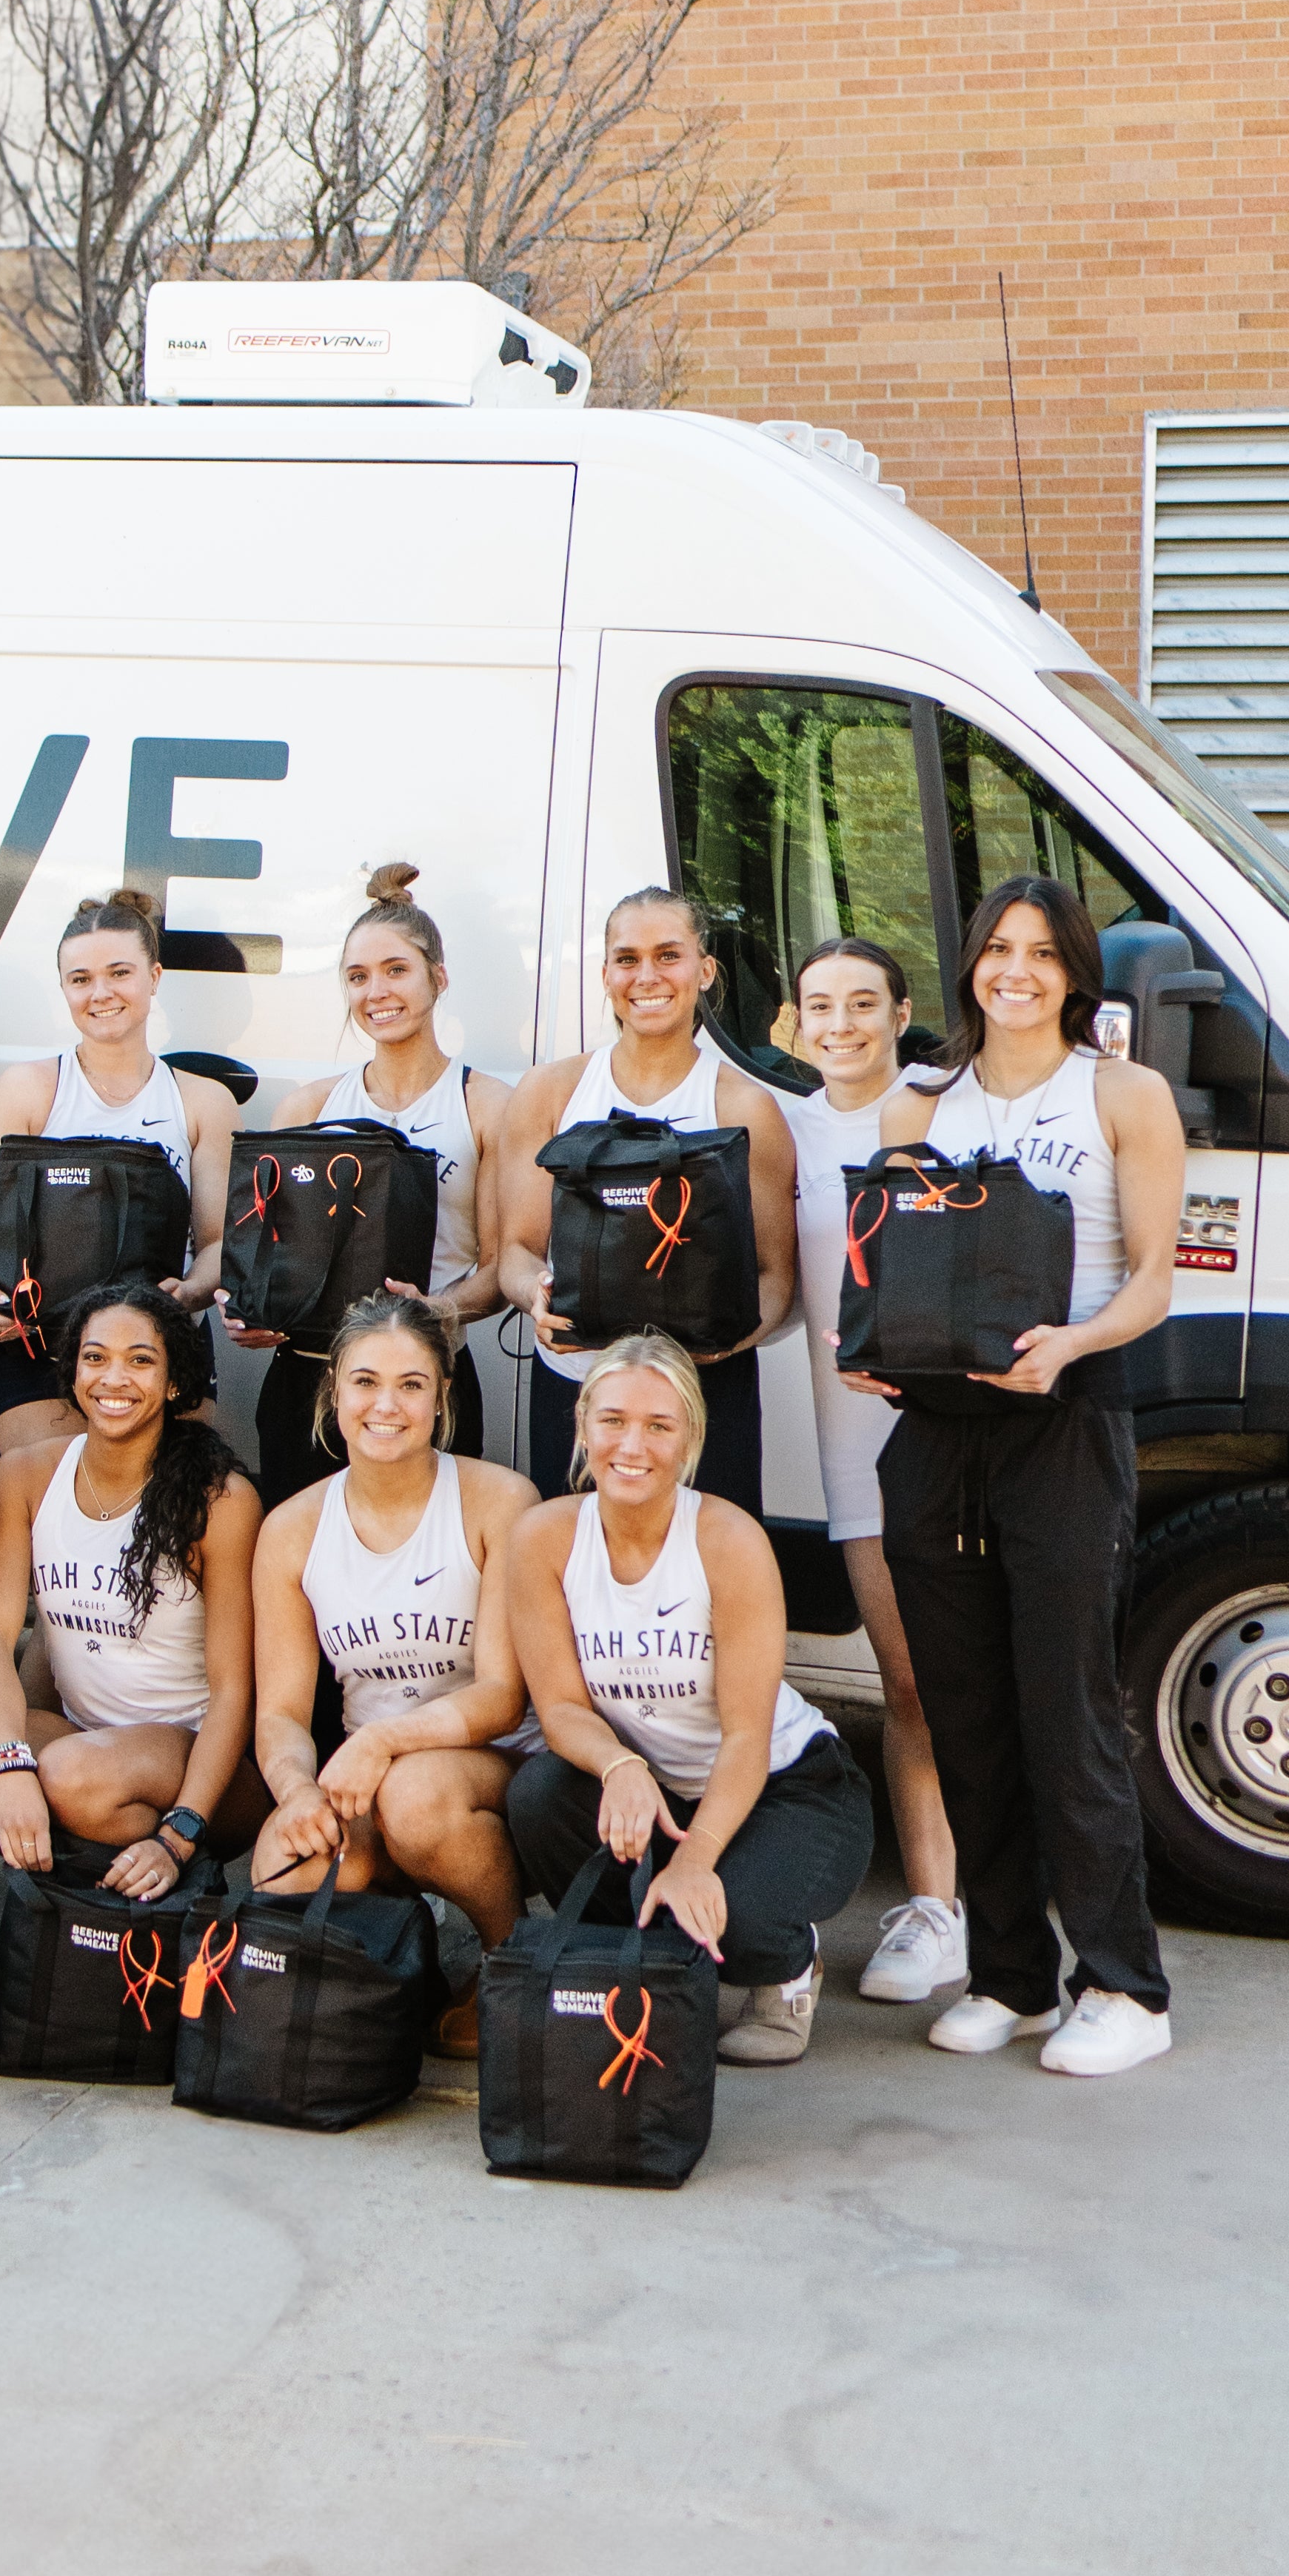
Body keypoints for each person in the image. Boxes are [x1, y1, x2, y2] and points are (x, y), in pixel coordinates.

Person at [870, 874, 1185, 2076]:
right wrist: (875, 1351)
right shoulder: (918, 1104)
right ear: (969, 965)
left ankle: (1124, 1987)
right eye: (998, 949)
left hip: (1065, 1418)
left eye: (1043, 954)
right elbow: (890, 1265)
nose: (1016, 971)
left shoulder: (1122, 1094)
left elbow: (1153, 1278)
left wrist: (1074, 1343)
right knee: (966, 1713)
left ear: (1074, 974)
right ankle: (1010, 1977)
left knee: (1066, 1710)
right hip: (936, 1433)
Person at [506, 1332, 875, 2065]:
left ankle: (787, 1965)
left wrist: (697, 1857)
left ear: (690, 1439)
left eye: (658, 1426)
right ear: (582, 1425)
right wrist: (619, 1766)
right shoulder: (544, 1537)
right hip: (658, 1788)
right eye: (612, 1421)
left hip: (785, 1785)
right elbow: (562, 1709)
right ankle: (643, 1960)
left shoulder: (727, 1540)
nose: (631, 1446)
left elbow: (746, 1735)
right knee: (539, 1797)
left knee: (731, 1918)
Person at [247, 1291, 540, 2053]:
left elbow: (503, 1697)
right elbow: (280, 1712)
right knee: (283, 1867)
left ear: (442, 1396)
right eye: (365, 1382)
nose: (386, 1406)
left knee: (414, 1799)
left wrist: (381, 1744)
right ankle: (408, 1973)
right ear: (333, 1391)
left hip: (492, 1770)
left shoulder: (498, 1501)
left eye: (411, 1385)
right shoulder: (291, 1529)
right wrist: (296, 1791)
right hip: (366, 1779)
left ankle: (512, 1960)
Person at [0, 1283, 267, 1898]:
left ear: (175, 1382)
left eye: (140, 1360)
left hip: (199, 1764)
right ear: (72, 1370)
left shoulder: (219, 1499)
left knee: (69, 1776)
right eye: (95, 1357)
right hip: (82, 1744)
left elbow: (234, 1691)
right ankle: (82, 1913)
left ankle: (170, 1871)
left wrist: (180, 1832)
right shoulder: (27, 1475)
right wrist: (11, 1766)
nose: (114, 1378)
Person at [777, 936, 966, 2004]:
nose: (840, 1024)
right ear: (796, 1024)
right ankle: (935, 1913)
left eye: (862, 1003)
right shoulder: (784, 1129)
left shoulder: (951, 1109)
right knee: (906, 1682)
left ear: (901, 1014)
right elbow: (770, 1284)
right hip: (855, 1446)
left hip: (959, 1430)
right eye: (820, 1006)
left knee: (980, 1677)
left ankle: (994, 1902)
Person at [496, 886, 797, 1512]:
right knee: (571, 1562)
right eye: (628, 959)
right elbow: (517, 1252)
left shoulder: (745, 1107)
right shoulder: (549, 1092)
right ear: (606, 974)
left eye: (668, 955)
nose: (647, 976)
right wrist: (535, 1299)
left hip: (702, 1397)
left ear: (705, 970)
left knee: (707, 1567)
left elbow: (774, 1277)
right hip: (579, 1390)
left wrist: (725, 1344)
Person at [223, 862, 514, 1509]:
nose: (376, 992)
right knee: (301, 1555)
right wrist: (249, 1310)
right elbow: (267, 1257)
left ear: (438, 978)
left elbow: (501, 1269)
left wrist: (436, 1310)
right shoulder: (307, 1108)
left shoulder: (487, 1105)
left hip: (427, 1381)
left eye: (396, 970)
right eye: (357, 977)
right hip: (309, 1377)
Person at [0, 888, 235, 1452]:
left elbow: (219, 1241)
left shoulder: (203, 1102)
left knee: (167, 1502)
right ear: (64, 989)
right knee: (41, 1495)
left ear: (154, 976)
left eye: (119, 973)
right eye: (81, 979)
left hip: (165, 1344)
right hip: (41, 1343)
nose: (101, 993)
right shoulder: (27, 1091)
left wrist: (193, 1292)